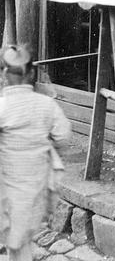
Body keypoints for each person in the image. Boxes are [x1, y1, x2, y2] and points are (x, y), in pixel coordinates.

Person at [0, 45, 71, 261]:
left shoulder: (2, 107)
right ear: (31, 74)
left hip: (8, 188)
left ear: (4, 75)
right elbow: (63, 137)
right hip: (37, 186)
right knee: (22, 239)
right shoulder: (46, 105)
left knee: (17, 240)